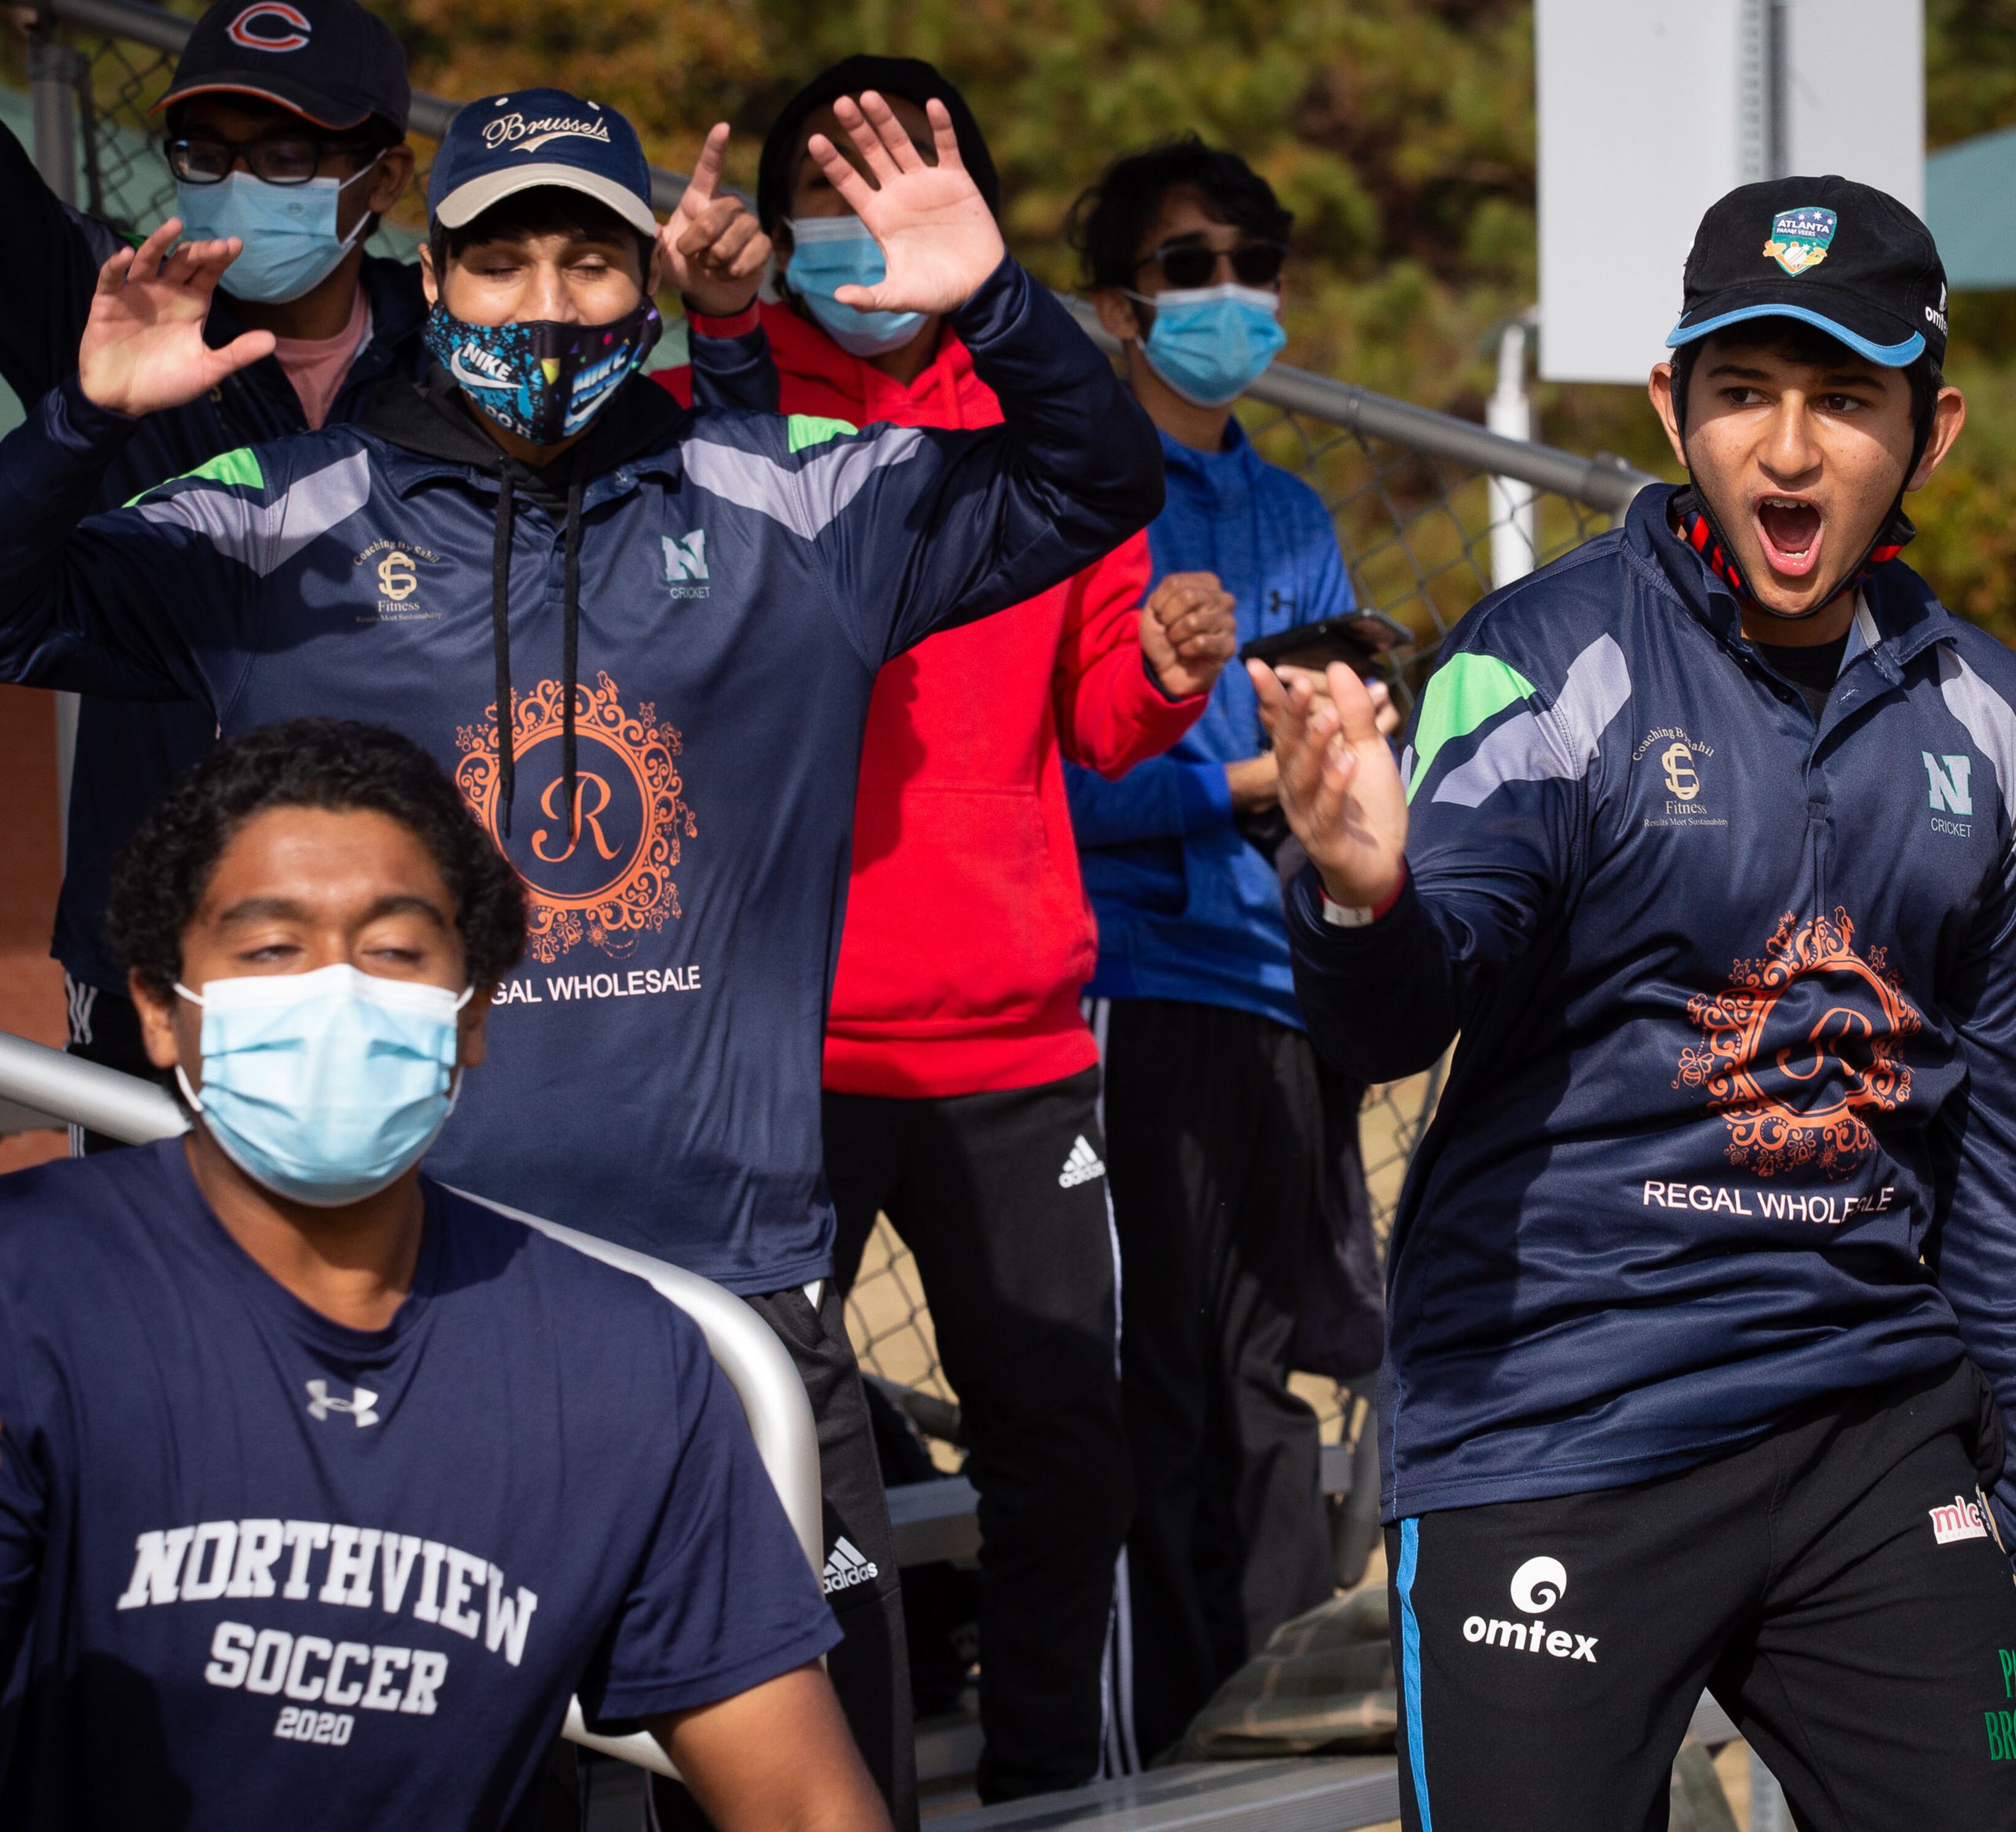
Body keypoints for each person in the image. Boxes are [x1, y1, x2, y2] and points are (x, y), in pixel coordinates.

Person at [0, 85, 1163, 1832]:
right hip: (402, 1308)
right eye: (502, 260)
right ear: (433, 270)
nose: (546, 304)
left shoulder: (799, 506)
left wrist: (997, 307)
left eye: (590, 258)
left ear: (647, 282)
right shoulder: (277, 515)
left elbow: (1091, 478)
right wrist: (82, 427)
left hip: (739, 1313)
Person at [1255, 176, 2016, 1832]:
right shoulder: (1544, 661)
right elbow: (1399, 1007)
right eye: (1744, 391)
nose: (1791, 450)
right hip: (1557, 1417)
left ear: (1932, 428)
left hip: (1873, 1433)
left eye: (1845, 398)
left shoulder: (1988, 716)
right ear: (1672, 403)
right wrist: (1358, 894)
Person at [658, 57, 1233, 1802]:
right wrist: (723, 337)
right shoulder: (721, 401)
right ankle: (835, 1786)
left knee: (1067, 1451)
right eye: (821, 197)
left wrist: (1161, 670)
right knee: (784, 1469)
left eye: (900, 184)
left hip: (1011, 1040)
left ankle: (1050, 1775)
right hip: (779, 1044)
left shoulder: (1039, 417)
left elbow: (1096, 719)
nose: (858, 236)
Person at [0, 716, 885, 1832]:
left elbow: (804, 1801)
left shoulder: (620, 1366)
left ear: (471, 1014)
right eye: (271, 948)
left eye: (395, 950)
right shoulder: (33, 1296)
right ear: (161, 1011)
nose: (335, 993)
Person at [1063, 136, 1393, 1764]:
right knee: (1162, 1392)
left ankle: (1274, 1730)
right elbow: (1083, 777)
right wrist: (1270, 775)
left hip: (1272, 987)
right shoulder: (1075, 485)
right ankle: (1150, 1756)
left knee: (1268, 1393)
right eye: (1190, 266)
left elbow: (1329, 717)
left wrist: (1291, 771)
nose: (1230, 294)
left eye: (1252, 260)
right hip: (1130, 984)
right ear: (1119, 303)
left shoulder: (1288, 505)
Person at [0, 0, 418, 1147]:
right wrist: (85, 415)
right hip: (156, 968)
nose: (242, 183)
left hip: (405, 955)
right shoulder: (111, 304)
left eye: (288, 155)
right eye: (208, 152)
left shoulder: (456, 351)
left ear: (382, 179)